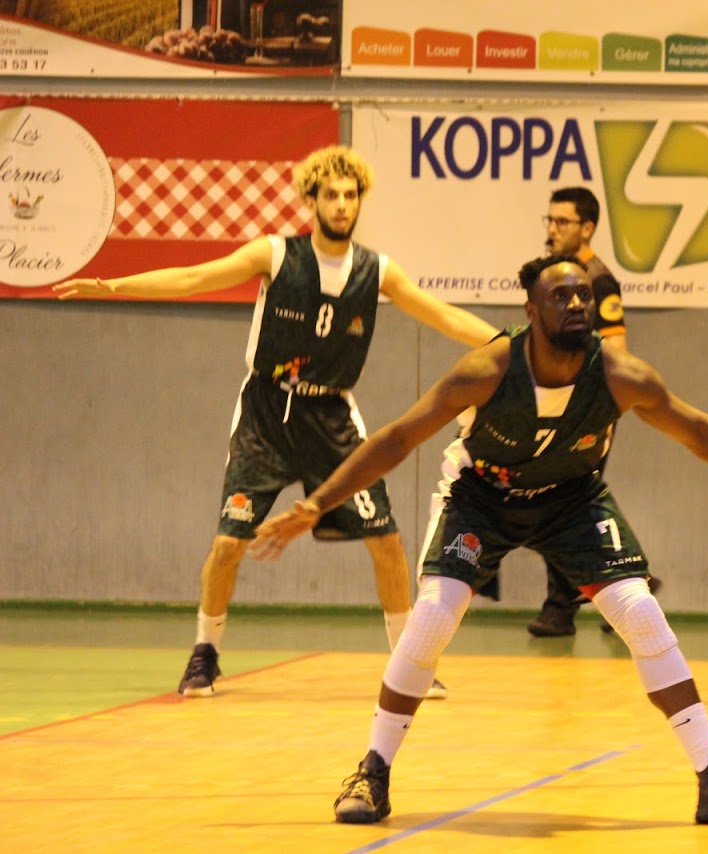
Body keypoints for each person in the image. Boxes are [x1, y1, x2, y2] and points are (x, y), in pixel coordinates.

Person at [251, 254, 708, 826]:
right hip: (480, 498)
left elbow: (701, 434)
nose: (577, 303)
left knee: (640, 611)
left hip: (571, 499)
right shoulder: (485, 370)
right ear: (531, 311)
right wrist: (318, 503)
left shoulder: (621, 375)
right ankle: (373, 772)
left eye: (583, 294)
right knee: (432, 617)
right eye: (561, 296)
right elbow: (398, 438)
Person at [53, 145, 497, 700]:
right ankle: (205, 653)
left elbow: (444, 315)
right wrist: (115, 286)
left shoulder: (377, 270)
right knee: (229, 542)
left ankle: (409, 661)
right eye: (331, 195)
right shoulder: (276, 254)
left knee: (386, 539)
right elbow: (194, 277)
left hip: (331, 415)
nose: (342, 204)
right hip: (267, 413)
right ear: (311, 200)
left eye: (350, 195)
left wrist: (514, 342)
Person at [525, 185, 662, 637]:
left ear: (587, 228)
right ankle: (631, 579)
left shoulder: (598, 281)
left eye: (562, 221)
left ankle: (562, 607)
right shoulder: (554, 274)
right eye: (549, 220)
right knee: (563, 500)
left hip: (586, 411)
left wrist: (597, 410)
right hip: (557, 407)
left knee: (563, 499)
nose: (552, 229)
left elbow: (616, 348)